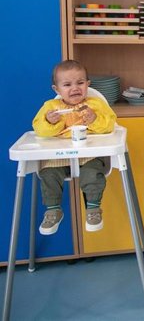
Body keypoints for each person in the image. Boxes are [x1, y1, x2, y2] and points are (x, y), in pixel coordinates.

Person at [32, 60, 116, 235]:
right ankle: (53, 209)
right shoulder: (51, 107)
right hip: (60, 156)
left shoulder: (95, 105)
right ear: (57, 89)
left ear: (87, 84)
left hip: (90, 154)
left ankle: (93, 208)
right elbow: (39, 130)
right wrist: (49, 121)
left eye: (80, 83)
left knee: (92, 173)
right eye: (67, 84)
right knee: (48, 173)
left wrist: (94, 119)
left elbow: (109, 125)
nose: (75, 88)